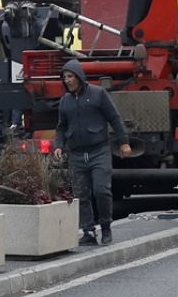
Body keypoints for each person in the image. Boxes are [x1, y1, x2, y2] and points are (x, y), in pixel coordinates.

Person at [51, 60, 132, 246]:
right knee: (82, 194)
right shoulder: (65, 101)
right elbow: (62, 127)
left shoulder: (98, 94)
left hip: (99, 151)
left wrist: (124, 142)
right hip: (77, 155)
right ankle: (88, 231)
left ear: (79, 76)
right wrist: (58, 145)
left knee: (102, 191)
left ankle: (105, 227)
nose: (68, 80)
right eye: (65, 77)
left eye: (70, 76)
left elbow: (114, 118)